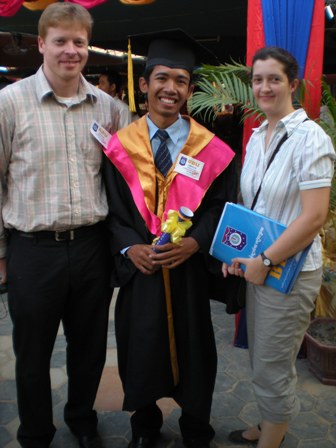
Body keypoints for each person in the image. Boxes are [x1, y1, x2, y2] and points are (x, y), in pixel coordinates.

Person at [102, 30, 237, 448]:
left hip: (188, 270)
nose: (170, 88)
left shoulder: (211, 150)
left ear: (190, 90)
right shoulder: (119, 148)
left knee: (196, 350)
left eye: (181, 81)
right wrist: (130, 246)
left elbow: (221, 206)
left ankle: (197, 426)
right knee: (140, 346)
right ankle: (145, 425)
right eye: (162, 78)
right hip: (142, 271)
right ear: (144, 85)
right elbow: (109, 209)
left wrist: (196, 242)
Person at [0, 3, 119, 448]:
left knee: (88, 349)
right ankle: (35, 432)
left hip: (91, 247)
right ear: (41, 44)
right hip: (33, 250)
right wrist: (1, 255)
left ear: (88, 46)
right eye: (61, 41)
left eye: (79, 42)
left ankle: (82, 419)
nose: (71, 51)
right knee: (31, 355)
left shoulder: (107, 109)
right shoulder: (9, 104)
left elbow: (125, 178)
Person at [222, 47, 335, 448]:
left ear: (292, 83)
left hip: (288, 273)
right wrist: (236, 254)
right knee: (263, 359)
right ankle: (268, 423)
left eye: (273, 79)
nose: (264, 87)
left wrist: (265, 259)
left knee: (272, 365)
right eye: (257, 79)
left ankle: (272, 439)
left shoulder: (310, 138)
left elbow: (314, 216)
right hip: (259, 267)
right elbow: (254, 208)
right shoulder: (257, 136)